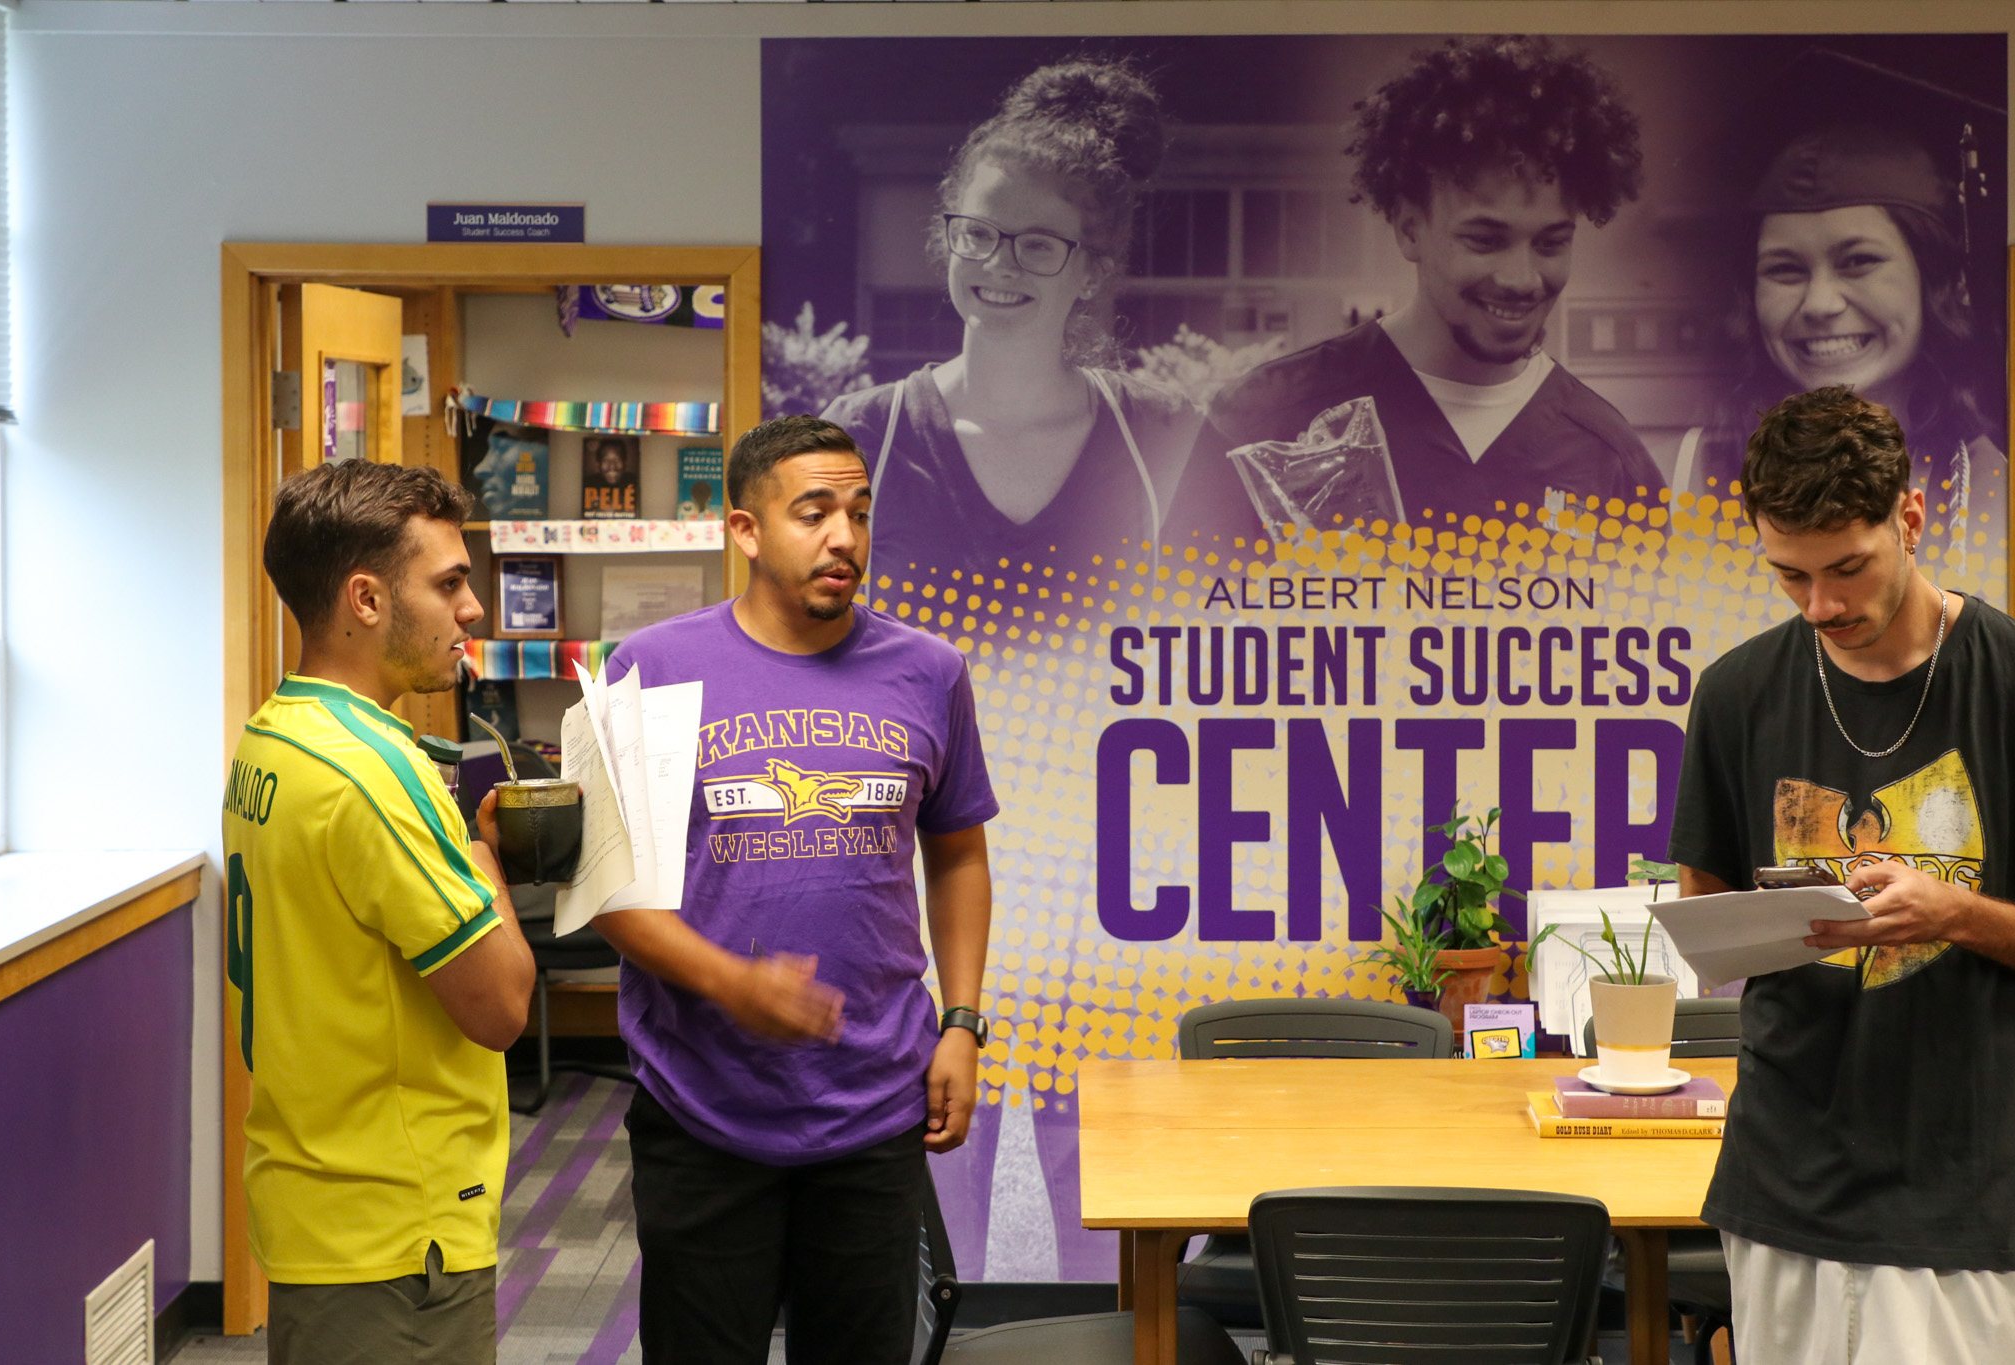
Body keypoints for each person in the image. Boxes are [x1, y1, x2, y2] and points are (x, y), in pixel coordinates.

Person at [594, 414, 999, 1364]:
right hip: (702, 1104)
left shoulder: (931, 672)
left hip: (873, 1104)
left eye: (858, 513)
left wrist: (964, 1023)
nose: (845, 539)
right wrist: (732, 982)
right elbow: (607, 888)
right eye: (813, 512)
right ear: (744, 530)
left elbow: (960, 854)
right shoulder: (648, 669)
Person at [1669, 387, 2015, 1361]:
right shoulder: (1735, 694)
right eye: (1787, 576)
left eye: (1846, 568)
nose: (1821, 606)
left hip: (1969, 1192)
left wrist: (1955, 912)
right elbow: (1701, 908)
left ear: (1909, 517)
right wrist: (1773, 919)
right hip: (1782, 1180)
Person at [223, 459, 536, 1364]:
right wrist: (484, 853)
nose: (471, 609)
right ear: (365, 598)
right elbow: (501, 1007)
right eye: (448, 584)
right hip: (397, 1229)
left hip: (314, 1194)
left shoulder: (273, 735)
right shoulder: (375, 774)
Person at [1162, 35, 1661, 550]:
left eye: (1551, 243)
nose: (1522, 277)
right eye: (1484, 240)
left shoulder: (1610, 459)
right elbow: (1176, 625)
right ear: (1408, 228)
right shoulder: (1264, 421)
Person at [822, 59, 1197, 589]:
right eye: (979, 234)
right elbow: (800, 645)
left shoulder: (1162, 434)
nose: (1000, 263)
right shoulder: (865, 436)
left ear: (1093, 272)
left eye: (1038, 244)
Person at [1690, 58, 2007, 572]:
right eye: (1786, 269)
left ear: (1935, 282)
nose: (1820, 304)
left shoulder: (2001, 495)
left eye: (1858, 262)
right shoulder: (1687, 479)